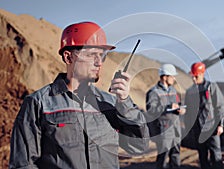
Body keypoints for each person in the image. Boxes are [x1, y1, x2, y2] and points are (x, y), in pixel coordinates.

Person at [9, 21, 149, 169]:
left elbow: (138, 146)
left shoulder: (110, 103)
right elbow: (22, 164)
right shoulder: (38, 103)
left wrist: (125, 103)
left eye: (102, 56)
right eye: (91, 55)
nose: (99, 62)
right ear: (68, 58)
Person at [184, 62, 224, 169]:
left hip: (212, 128)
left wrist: (220, 124)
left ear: (202, 74)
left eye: (196, 76)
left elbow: (220, 106)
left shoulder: (211, 87)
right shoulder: (190, 92)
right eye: (192, 76)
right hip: (198, 129)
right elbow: (189, 112)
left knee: (216, 156)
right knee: (202, 156)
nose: (194, 79)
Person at [146, 63, 186, 169]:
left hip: (176, 128)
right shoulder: (153, 92)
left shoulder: (173, 90)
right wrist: (167, 107)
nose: (174, 78)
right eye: (172, 76)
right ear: (164, 77)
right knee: (163, 157)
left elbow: (177, 103)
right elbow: (151, 110)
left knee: (176, 155)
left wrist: (180, 109)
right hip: (164, 129)